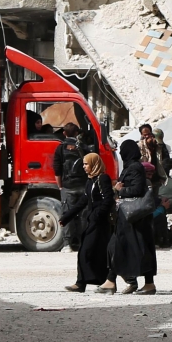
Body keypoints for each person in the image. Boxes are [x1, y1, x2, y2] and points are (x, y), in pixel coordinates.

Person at [98, 140, 157, 295]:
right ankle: (120, 281)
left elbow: (137, 189)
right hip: (129, 218)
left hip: (133, 218)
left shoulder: (135, 167)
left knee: (124, 247)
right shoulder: (131, 167)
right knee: (121, 247)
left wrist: (120, 190)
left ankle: (116, 282)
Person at [60, 153, 115, 292]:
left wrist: (97, 214)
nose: (84, 167)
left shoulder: (103, 179)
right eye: (84, 164)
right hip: (92, 221)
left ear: (94, 164)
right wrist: (67, 217)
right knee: (89, 251)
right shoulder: (90, 181)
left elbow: (108, 199)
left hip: (100, 222)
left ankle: (100, 282)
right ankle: (82, 283)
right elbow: (83, 202)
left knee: (88, 251)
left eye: (86, 164)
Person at [52, 123, 88, 252]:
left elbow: (57, 169)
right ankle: (83, 242)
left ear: (64, 133)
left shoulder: (60, 148)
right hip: (83, 185)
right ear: (77, 133)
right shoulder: (83, 147)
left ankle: (67, 244)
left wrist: (60, 186)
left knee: (67, 214)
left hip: (68, 186)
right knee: (84, 214)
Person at [138, 124, 167, 189]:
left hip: (156, 177)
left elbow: (165, 160)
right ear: (141, 135)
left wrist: (163, 175)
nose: (147, 136)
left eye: (149, 134)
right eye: (145, 135)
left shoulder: (159, 145)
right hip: (145, 177)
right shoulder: (139, 147)